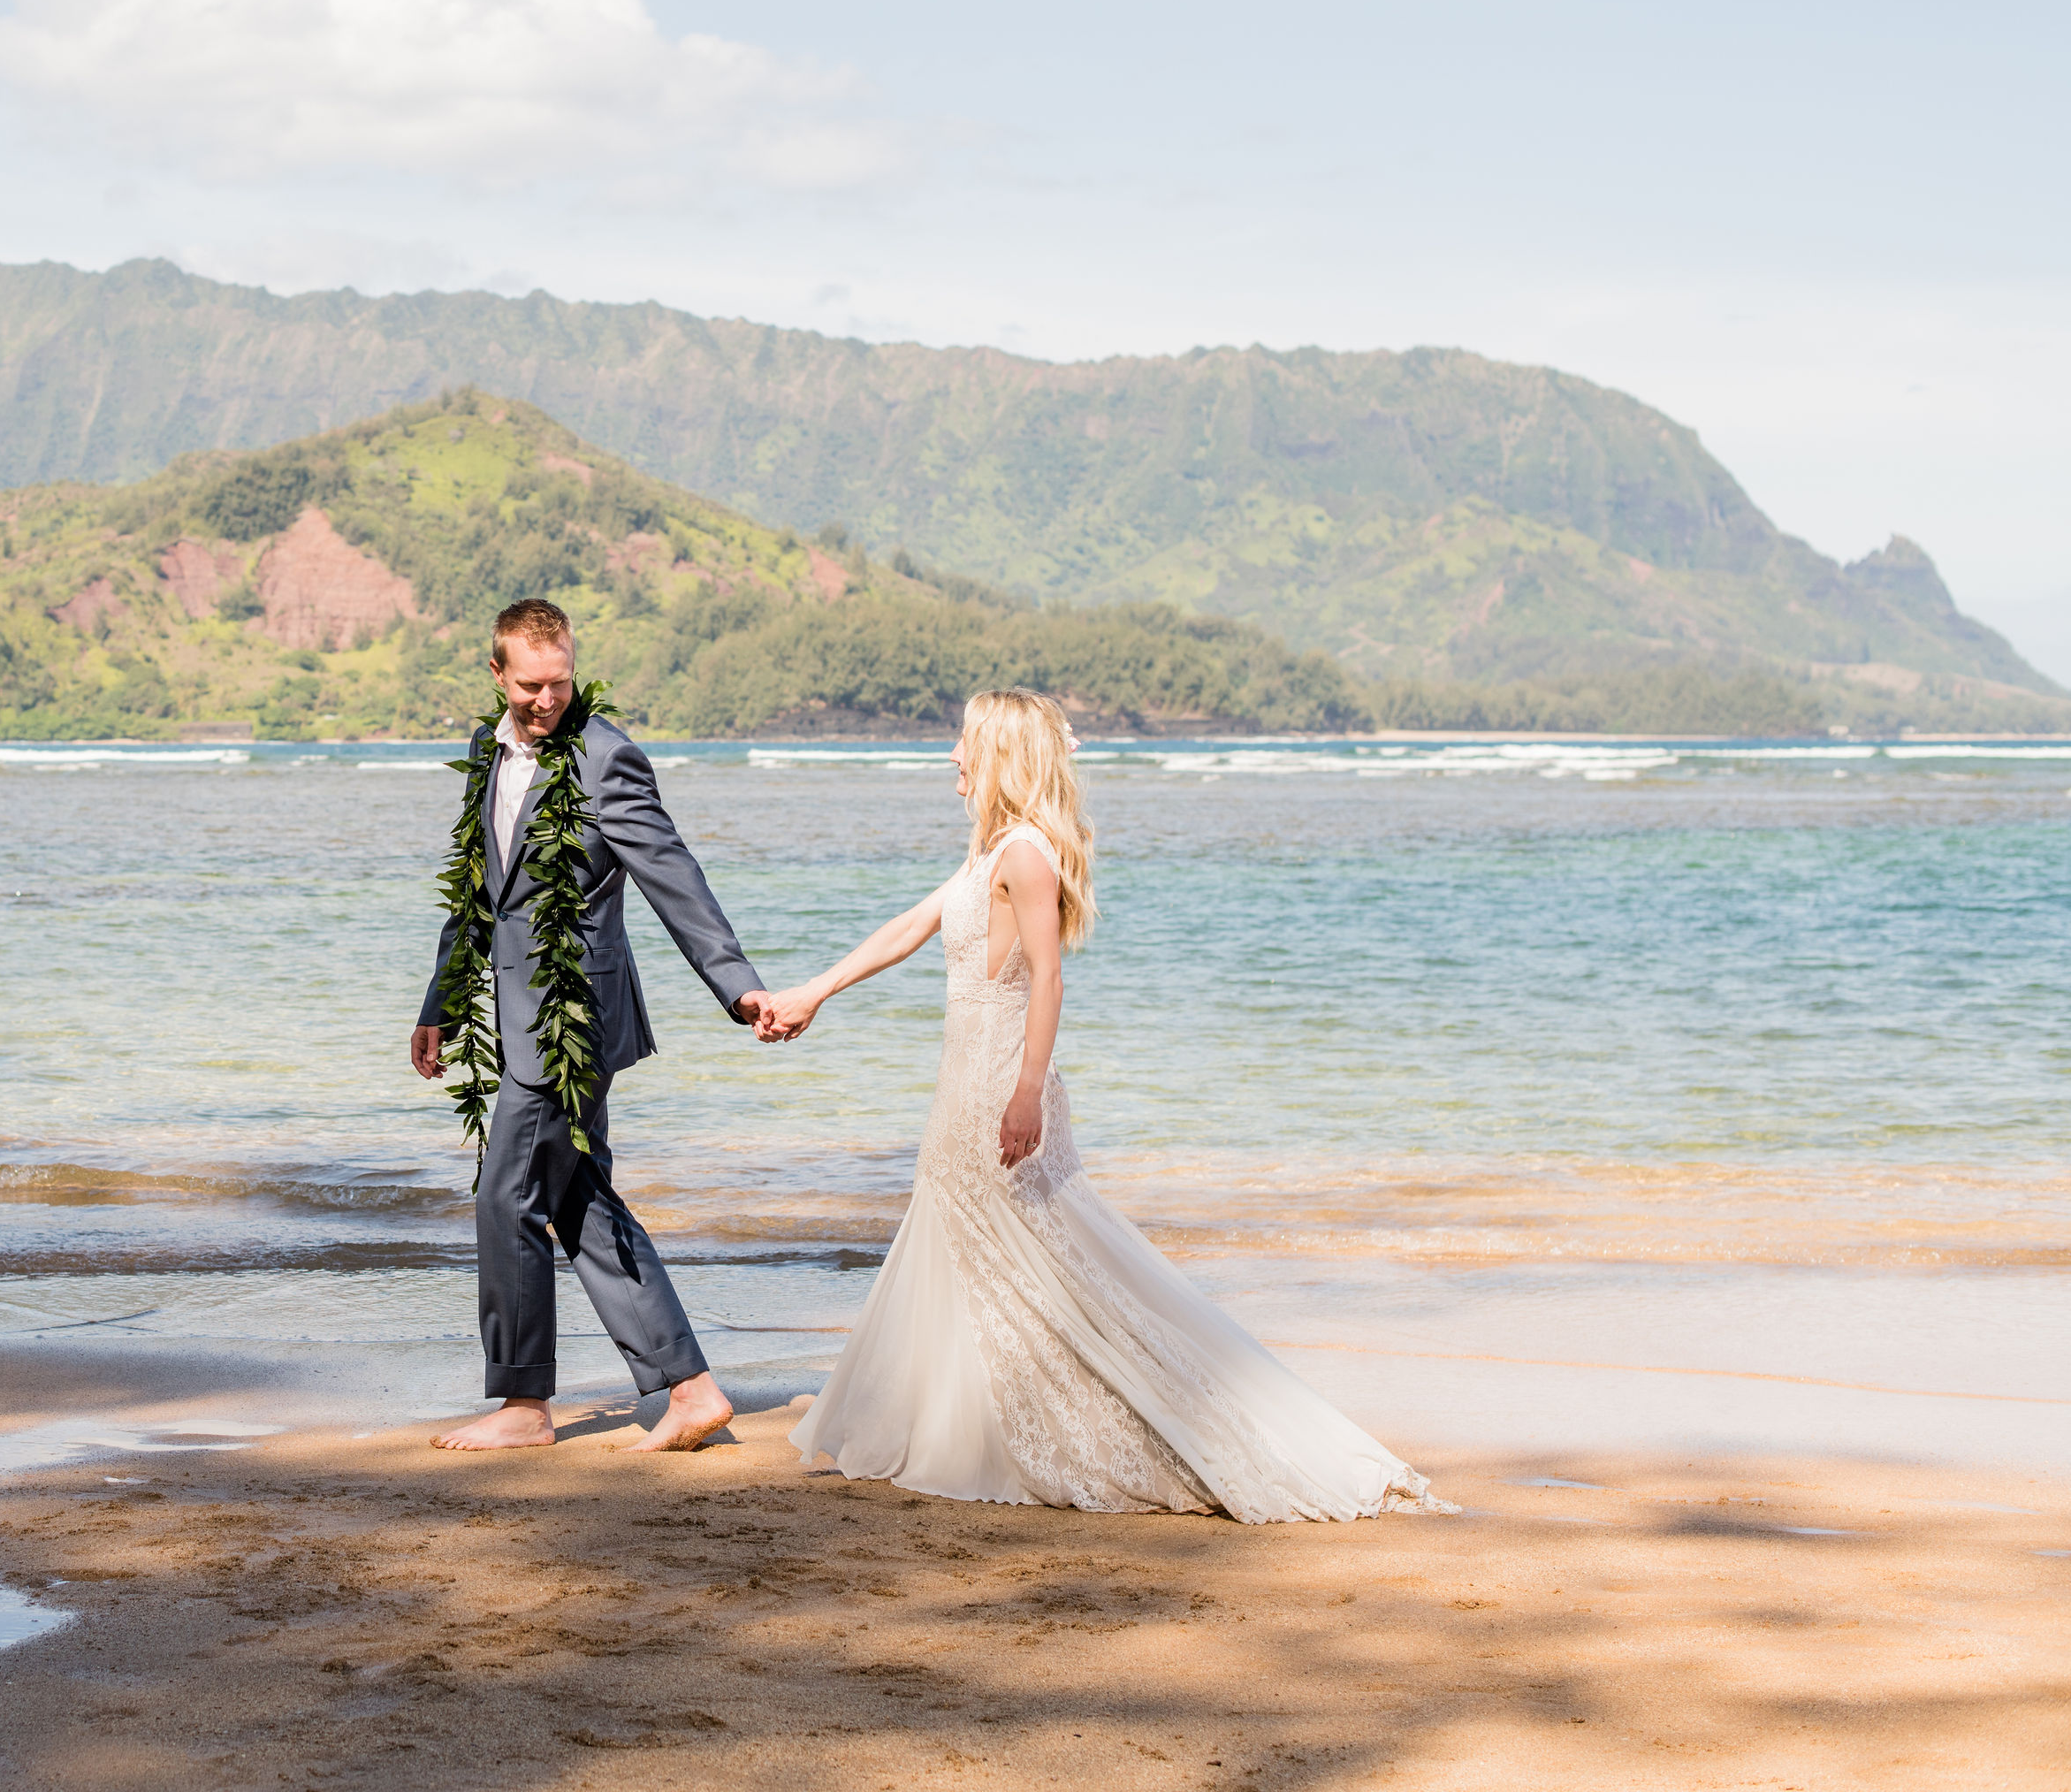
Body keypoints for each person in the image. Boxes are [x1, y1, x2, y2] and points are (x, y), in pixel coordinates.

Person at [760, 689, 1444, 1521]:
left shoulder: (1027, 855)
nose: (953, 756)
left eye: (965, 742)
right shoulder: (988, 854)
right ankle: (965, 1423)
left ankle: (1134, 1421)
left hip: (997, 1082)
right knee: (983, 1247)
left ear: (1002, 753)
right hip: (963, 1077)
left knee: (1044, 1258)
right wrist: (815, 991)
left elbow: (1048, 978)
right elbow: (910, 926)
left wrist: (1024, 1094)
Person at [409, 598, 775, 1453]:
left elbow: (673, 874)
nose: (548, 700)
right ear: (497, 675)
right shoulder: (485, 752)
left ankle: (523, 1406)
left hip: (577, 1022)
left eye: (562, 682)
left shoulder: (606, 758)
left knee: (506, 1193)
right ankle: (690, 1388)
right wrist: (441, 1002)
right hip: (520, 1016)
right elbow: (479, 890)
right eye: (531, 685)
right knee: (577, 1199)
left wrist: (738, 986)